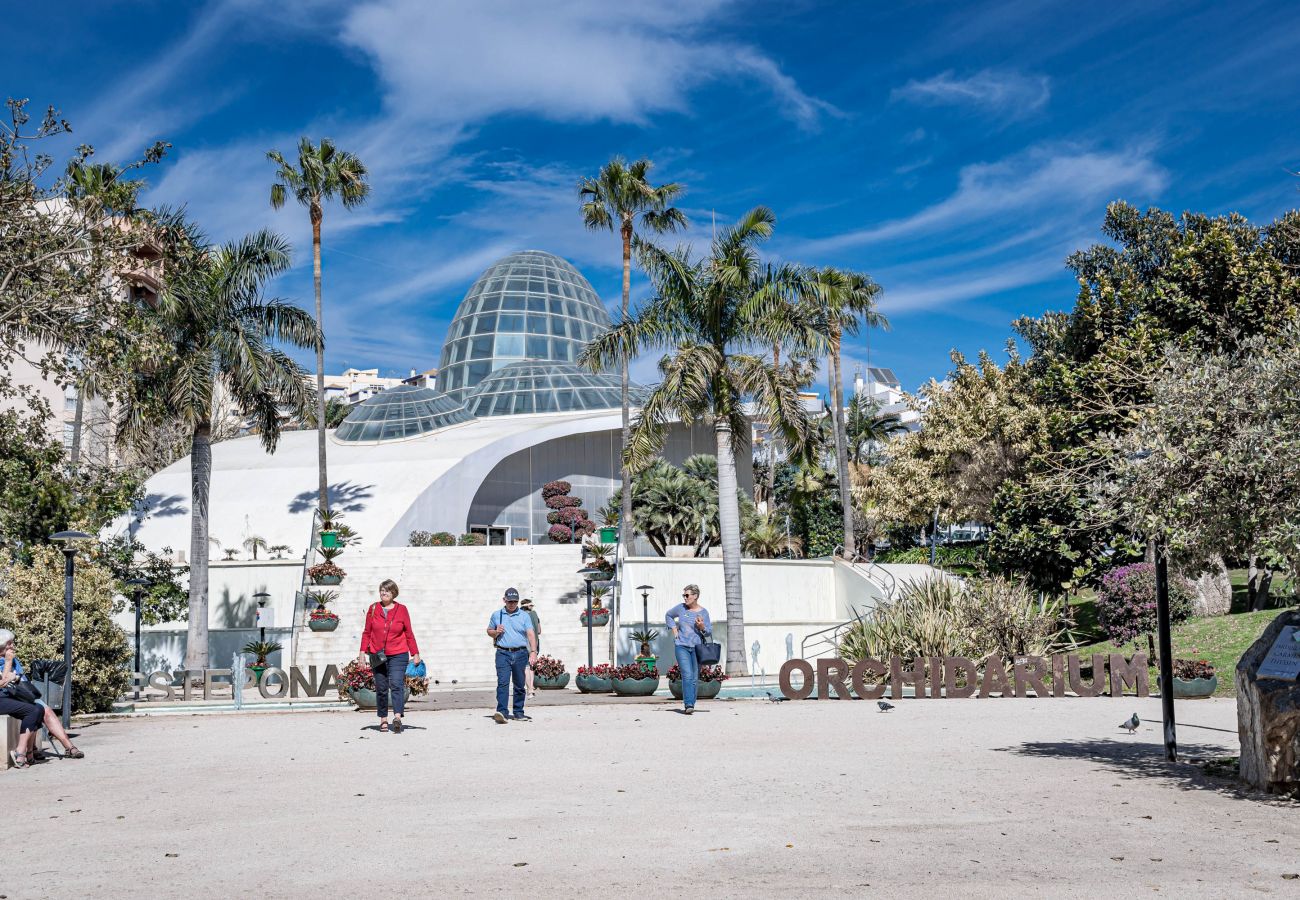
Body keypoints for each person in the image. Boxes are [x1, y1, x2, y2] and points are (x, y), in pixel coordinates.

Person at [0, 629, 83, 766]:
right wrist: (8, 664)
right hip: (7, 696)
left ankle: (67, 747)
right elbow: (4, 682)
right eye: (9, 644)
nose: (12, 646)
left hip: (21, 694)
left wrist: (14, 674)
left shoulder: (13, 660)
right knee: (38, 710)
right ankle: (30, 751)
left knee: (44, 709)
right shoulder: (8, 660)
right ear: (1, 645)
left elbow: (21, 680)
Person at [358, 580, 421, 734]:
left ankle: (397, 717)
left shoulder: (402, 610)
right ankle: (383, 719)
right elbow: (367, 632)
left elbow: (408, 632)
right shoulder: (373, 608)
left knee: (397, 684)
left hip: (398, 653)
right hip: (377, 654)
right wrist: (361, 653)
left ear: (394, 593)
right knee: (381, 687)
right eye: (382, 590)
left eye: (387, 590)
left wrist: (415, 653)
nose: (383, 593)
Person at [485, 587, 536, 723]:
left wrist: (533, 652)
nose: (512, 604)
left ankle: (518, 712)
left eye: (515, 601)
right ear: (504, 600)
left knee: (519, 684)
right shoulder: (497, 615)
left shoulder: (524, 616)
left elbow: (531, 634)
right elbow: (489, 631)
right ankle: (502, 712)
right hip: (503, 653)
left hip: (520, 653)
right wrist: (496, 632)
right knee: (503, 683)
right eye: (510, 601)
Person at [665, 584, 712, 714]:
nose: (685, 598)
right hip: (682, 646)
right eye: (683, 595)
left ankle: (692, 702)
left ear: (695, 596)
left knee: (694, 677)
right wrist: (674, 631)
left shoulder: (704, 612)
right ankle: (688, 704)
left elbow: (708, 633)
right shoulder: (681, 608)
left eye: (687, 595)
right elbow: (668, 615)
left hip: (697, 648)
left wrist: (702, 626)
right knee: (687, 674)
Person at [521, 598, 541, 697]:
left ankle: (529, 689)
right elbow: (539, 630)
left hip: (524, 643)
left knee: (526, 667)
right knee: (532, 666)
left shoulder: (521, 615)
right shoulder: (535, 614)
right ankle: (531, 687)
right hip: (536, 643)